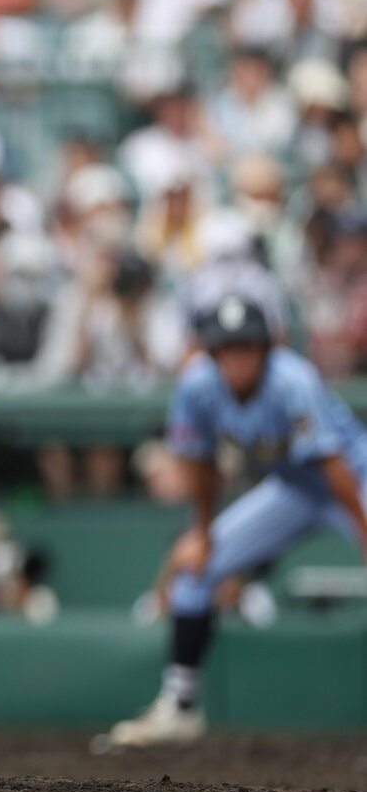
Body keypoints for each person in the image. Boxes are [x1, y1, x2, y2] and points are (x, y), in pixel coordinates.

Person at [104, 295, 367, 747]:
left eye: (246, 347)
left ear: (265, 348)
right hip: (293, 488)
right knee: (195, 570)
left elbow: (332, 464)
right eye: (228, 349)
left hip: (352, 478)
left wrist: (363, 532)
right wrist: (203, 534)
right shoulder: (197, 386)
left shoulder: (292, 378)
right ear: (213, 353)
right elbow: (201, 465)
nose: (238, 359)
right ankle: (180, 708)